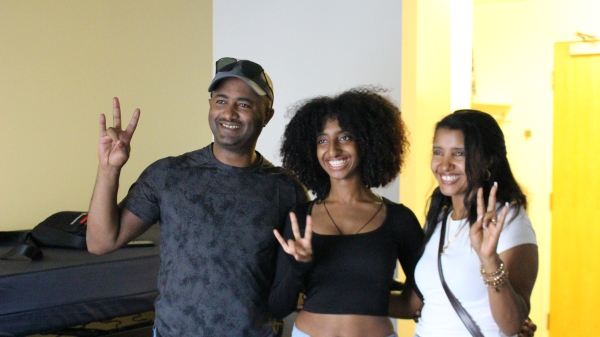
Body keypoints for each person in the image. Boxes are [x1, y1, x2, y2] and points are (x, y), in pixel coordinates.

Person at [86, 57, 309, 336]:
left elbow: (294, 281)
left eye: (243, 104)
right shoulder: (167, 174)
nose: (229, 113)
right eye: (221, 101)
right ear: (210, 105)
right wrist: (109, 168)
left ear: (267, 115)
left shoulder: (286, 189)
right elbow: (100, 242)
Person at [268, 87, 425, 337]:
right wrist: (299, 268)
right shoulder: (299, 218)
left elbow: (416, 301)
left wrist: (363, 298)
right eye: (322, 140)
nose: (332, 149)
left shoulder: (399, 220)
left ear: (367, 142)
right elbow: (278, 305)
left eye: (344, 137)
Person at [389, 109, 538, 337]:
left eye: (459, 154)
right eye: (438, 152)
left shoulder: (509, 220)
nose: (444, 165)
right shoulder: (439, 220)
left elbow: (512, 325)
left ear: (488, 159)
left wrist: (488, 260)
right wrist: (336, 292)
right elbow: (414, 305)